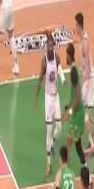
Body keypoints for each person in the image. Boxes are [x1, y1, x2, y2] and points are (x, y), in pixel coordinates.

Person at [34, 34, 65, 176]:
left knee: (59, 127)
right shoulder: (44, 61)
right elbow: (40, 78)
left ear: (54, 47)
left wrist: (63, 79)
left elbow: (60, 68)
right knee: (49, 130)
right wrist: (36, 97)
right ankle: (48, 162)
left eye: (52, 46)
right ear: (46, 47)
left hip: (56, 97)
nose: (50, 48)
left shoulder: (57, 57)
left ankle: (52, 143)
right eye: (49, 46)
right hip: (48, 99)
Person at [64, 43, 89, 168]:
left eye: (66, 54)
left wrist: (70, 112)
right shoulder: (73, 69)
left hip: (78, 113)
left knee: (69, 140)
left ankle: (66, 168)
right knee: (77, 144)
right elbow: (74, 95)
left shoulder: (73, 72)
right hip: (77, 111)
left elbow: (78, 98)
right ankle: (84, 166)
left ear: (69, 55)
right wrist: (69, 105)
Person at [75, 13, 94, 152]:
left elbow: (88, 65)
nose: (74, 28)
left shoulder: (84, 42)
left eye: (75, 25)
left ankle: (91, 145)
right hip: (88, 76)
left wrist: (83, 81)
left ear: (79, 25)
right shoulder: (84, 39)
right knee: (87, 111)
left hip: (88, 78)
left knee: (85, 114)